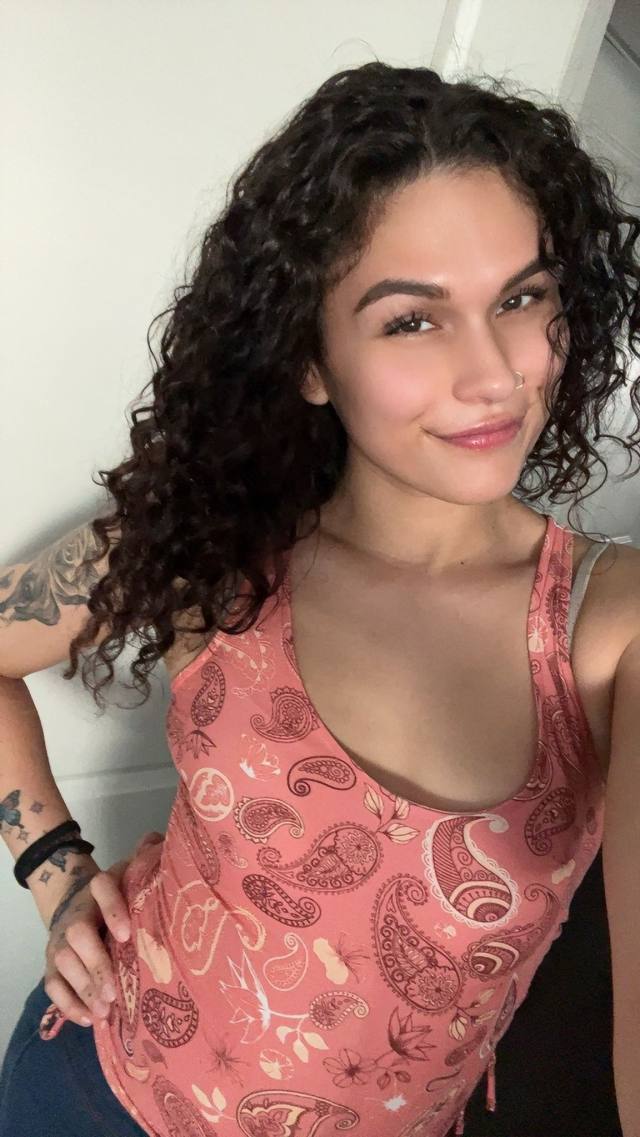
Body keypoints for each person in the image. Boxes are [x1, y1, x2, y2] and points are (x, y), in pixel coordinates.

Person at [0, 60, 639, 1137]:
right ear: (309, 358)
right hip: (89, 1093)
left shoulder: (605, 629)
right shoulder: (213, 546)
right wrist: (52, 867)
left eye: (521, 297)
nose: (494, 373)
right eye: (412, 321)